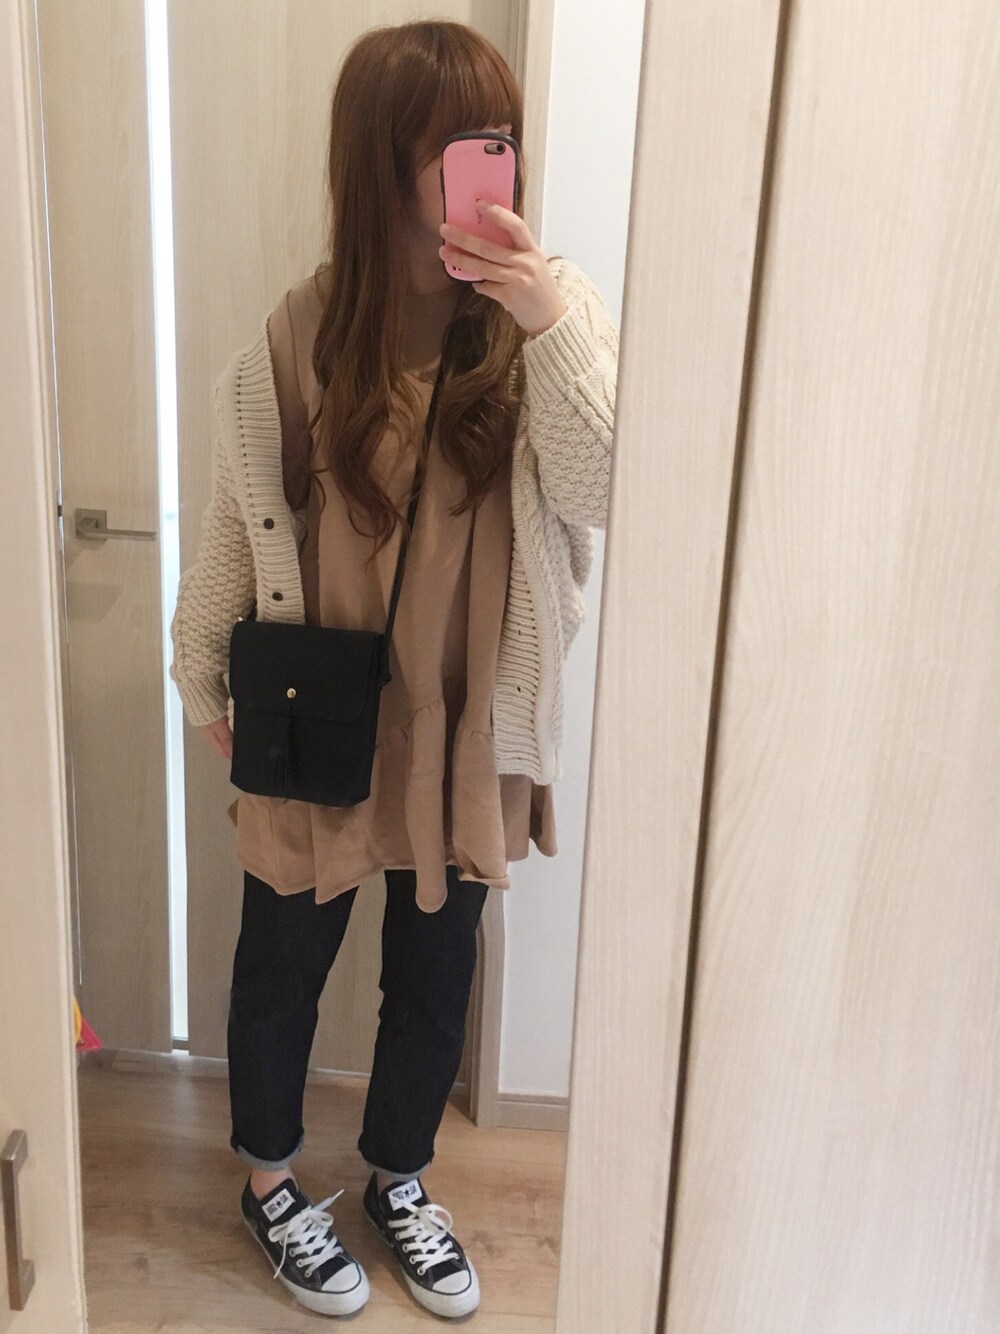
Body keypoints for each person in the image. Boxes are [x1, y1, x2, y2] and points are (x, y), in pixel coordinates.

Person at [168, 17, 617, 1321]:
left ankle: (397, 1177)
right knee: (282, 961)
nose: (494, 163)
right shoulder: (305, 327)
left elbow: (608, 487)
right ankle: (269, 1183)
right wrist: (202, 672)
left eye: (503, 138)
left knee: (434, 974)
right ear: (383, 162)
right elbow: (238, 513)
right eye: (461, 143)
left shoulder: (547, 311)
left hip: (465, 719)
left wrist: (543, 318)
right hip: (318, 713)